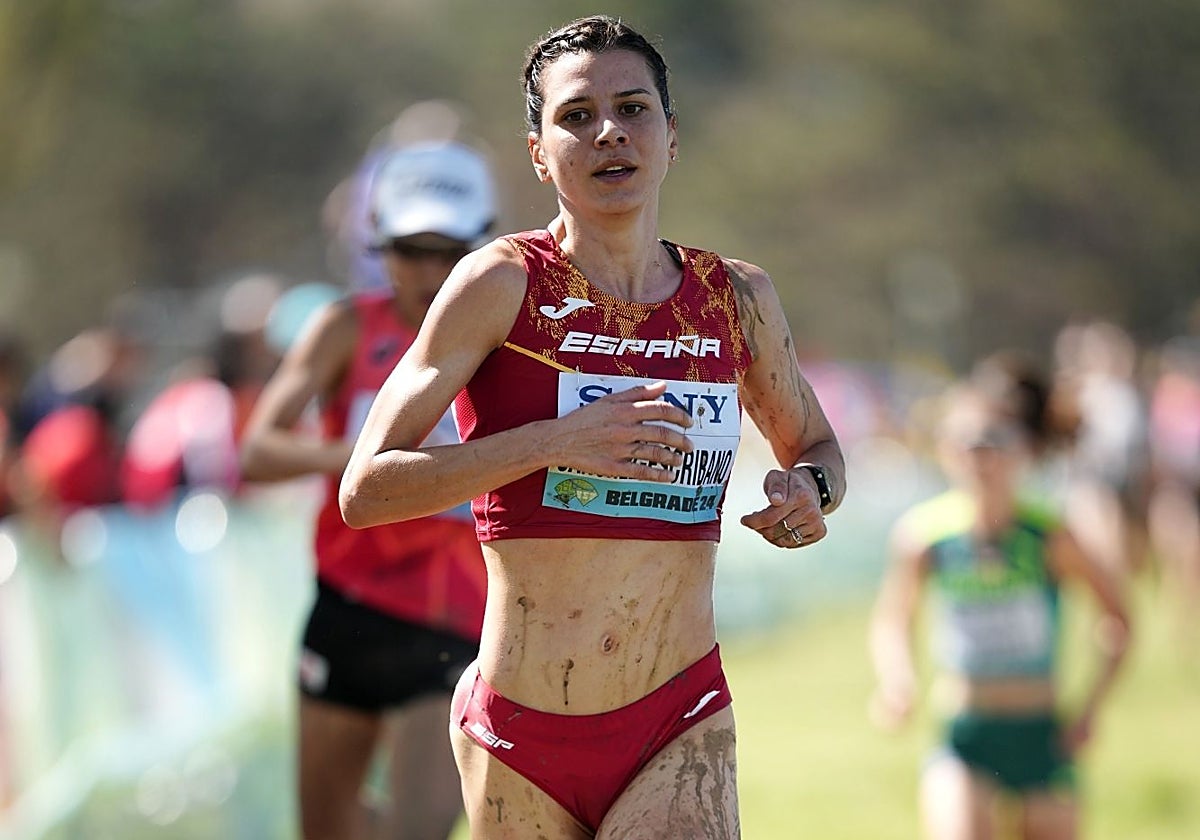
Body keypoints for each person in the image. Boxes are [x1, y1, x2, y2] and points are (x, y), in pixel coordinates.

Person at [339, 15, 845, 839]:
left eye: (633, 108)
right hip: (519, 733)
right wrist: (555, 442)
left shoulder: (735, 299)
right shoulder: (501, 282)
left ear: (671, 136)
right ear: (539, 152)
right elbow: (366, 488)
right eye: (576, 116)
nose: (609, 131)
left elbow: (818, 450)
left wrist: (809, 491)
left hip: (677, 719)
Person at [239, 140, 496, 840]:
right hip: (349, 610)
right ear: (378, 246)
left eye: (449, 251)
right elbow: (258, 448)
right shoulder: (346, 327)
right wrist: (368, 460)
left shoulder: (507, 341)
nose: (429, 270)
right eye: (410, 249)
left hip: (454, 628)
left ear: (482, 244)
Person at [869, 372, 1131, 840]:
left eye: (992, 441)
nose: (979, 456)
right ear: (945, 451)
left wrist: (1092, 708)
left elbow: (1118, 619)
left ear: (1022, 449)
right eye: (964, 443)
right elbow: (893, 619)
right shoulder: (925, 536)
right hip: (966, 738)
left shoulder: (1049, 534)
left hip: (1041, 737)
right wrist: (897, 681)